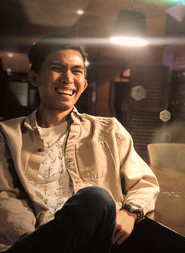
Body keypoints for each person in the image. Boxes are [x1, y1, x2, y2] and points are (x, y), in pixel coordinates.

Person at [0, 36, 159, 253]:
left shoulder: (109, 130)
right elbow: (5, 195)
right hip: (33, 242)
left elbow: (145, 182)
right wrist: (38, 240)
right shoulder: (8, 134)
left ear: (83, 84)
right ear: (34, 77)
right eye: (57, 68)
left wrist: (130, 212)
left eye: (76, 71)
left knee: (97, 199)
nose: (68, 78)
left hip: (95, 242)